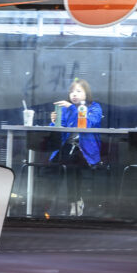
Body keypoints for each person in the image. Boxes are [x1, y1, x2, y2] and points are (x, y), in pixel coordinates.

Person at [47, 78, 103, 216]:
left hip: (86, 150)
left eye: (78, 91)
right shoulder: (66, 109)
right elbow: (58, 131)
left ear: (86, 93)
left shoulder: (95, 107)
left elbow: (88, 124)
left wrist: (72, 109)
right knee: (54, 166)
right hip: (68, 148)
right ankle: (50, 206)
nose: (74, 94)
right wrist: (54, 121)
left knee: (72, 164)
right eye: (72, 91)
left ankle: (75, 203)